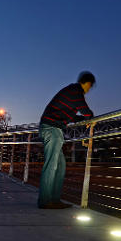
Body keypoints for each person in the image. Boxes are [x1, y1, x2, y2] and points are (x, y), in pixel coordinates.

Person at [38, 71, 95, 209]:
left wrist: (83, 119)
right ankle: (45, 201)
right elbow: (84, 109)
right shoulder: (76, 91)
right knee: (51, 165)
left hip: (53, 128)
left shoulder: (71, 93)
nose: (89, 90)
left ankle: (54, 199)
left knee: (60, 166)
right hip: (52, 129)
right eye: (90, 86)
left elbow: (70, 116)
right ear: (87, 83)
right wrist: (90, 117)